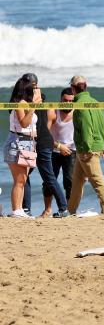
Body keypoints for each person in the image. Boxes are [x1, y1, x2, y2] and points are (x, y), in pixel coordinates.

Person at [66, 75, 104, 216]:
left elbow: (87, 128)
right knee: (77, 181)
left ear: (73, 89)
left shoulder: (80, 105)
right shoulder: (95, 102)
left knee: (98, 181)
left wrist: (87, 149)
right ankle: (71, 211)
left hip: (88, 148)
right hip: (96, 145)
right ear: (85, 86)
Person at [5, 74, 40, 218]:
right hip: (17, 142)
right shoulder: (20, 103)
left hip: (27, 142)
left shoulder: (25, 102)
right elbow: (24, 123)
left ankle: (19, 210)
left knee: (23, 179)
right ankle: (16, 210)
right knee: (19, 180)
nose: (36, 90)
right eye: (34, 87)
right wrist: (33, 108)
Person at [32, 88, 69, 218]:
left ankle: (64, 208)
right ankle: (25, 209)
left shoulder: (39, 109)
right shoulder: (45, 109)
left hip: (44, 144)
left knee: (50, 178)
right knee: (46, 179)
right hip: (45, 144)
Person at [50, 87, 76, 209]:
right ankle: (47, 209)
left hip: (72, 151)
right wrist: (59, 146)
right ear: (60, 100)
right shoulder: (53, 112)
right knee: (49, 181)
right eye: (65, 100)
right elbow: (44, 134)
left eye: (71, 101)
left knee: (69, 182)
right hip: (54, 150)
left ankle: (69, 209)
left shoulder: (78, 111)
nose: (68, 103)